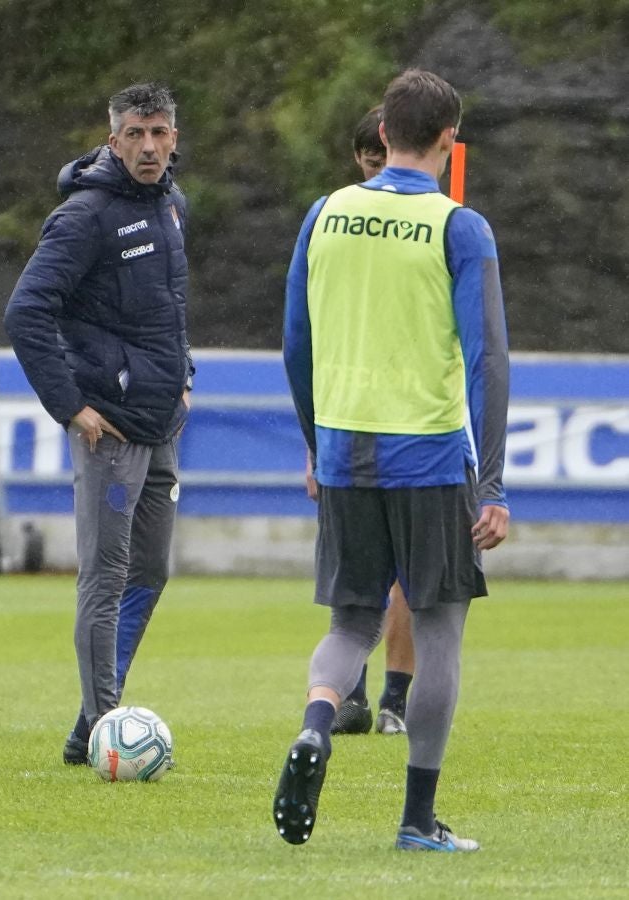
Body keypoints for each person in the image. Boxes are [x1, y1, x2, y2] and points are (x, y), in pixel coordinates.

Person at [273, 69, 509, 852]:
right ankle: (417, 819)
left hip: (345, 449)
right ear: (449, 139)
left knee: (351, 622)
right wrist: (492, 483)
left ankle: (316, 725)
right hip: (429, 455)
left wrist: (316, 443)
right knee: (439, 632)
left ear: (381, 134)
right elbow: (487, 361)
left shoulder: (325, 213)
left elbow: (296, 343)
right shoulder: (458, 228)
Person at [4, 82, 193, 766]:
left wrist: (185, 373)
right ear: (113, 141)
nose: (148, 146)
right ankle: (103, 720)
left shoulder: (171, 204)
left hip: (160, 420)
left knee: (151, 570)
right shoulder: (85, 216)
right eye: (135, 134)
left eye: (159, 132)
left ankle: (93, 723)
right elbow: (25, 312)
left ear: (174, 138)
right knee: (105, 576)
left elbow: (170, 307)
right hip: (107, 427)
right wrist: (70, 406)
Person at [306, 106, 415, 738]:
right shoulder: (334, 221)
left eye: (386, 160)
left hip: (416, 423)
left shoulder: (437, 223)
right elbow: (308, 335)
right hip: (348, 425)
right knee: (356, 582)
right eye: (370, 163)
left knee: (409, 581)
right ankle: (354, 696)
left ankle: (394, 697)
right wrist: (312, 444)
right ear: (358, 160)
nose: (379, 173)